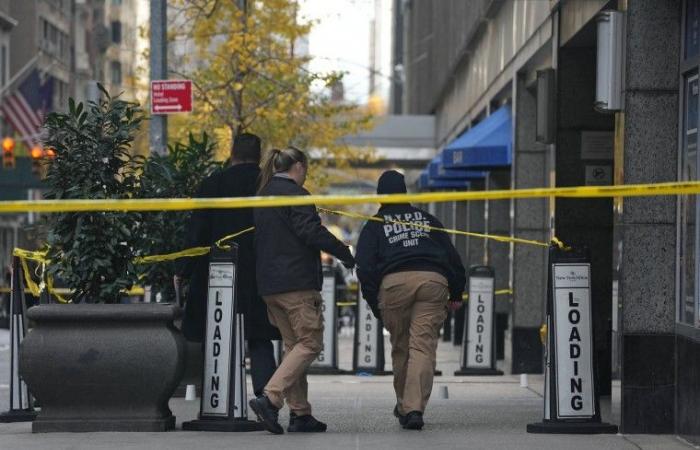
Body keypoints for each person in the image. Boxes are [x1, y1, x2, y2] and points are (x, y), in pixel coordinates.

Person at [249, 147, 355, 434]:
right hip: (295, 283)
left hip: (269, 285)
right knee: (310, 343)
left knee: (293, 347)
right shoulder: (296, 195)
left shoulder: (263, 194)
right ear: (297, 166)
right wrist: (342, 251)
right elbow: (310, 232)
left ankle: (300, 414)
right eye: (305, 169)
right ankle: (270, 399)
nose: (305, 174)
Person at [355, 170, 466, 430]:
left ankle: (406, 404)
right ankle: (412, 407)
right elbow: (453, 258)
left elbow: (365, 268)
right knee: (422, 347)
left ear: (380, 195)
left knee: (402, 347)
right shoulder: (428, 220)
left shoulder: (375, 224)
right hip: (432, 281)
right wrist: (457, 293)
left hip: (393, 286)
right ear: (405, 192)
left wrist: (374, 303)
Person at [175, 133, 280, 399]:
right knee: (259, 339)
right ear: (260, 155)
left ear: (232, 153)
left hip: (217, 272)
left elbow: (196, 230)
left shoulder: (213, 183)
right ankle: (265, 397)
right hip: (259, 272)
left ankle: (218, 394)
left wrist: (182, 269)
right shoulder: (268, 184)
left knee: (217, 333)